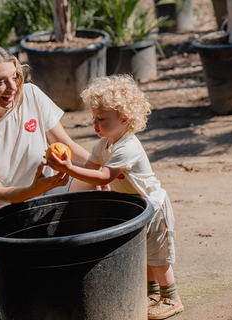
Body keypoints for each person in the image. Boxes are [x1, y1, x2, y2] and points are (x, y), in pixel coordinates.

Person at [0, 42, 97, 307]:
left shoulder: (31, 96)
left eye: (14, 76)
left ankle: (67, 266)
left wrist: (103, 169)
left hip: (48, 195)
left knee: (95, 185)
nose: (13, 87)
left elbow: (70, 147)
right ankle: (0, 279)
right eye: (0, 82)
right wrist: (33, 190)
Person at [46, 74, 184, 319]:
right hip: (137, 208)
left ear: (125, 119)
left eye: (101, 119)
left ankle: (171, 298)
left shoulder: (127, 146)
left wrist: (68, 168)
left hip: (154, 206)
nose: (95, 124)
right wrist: (70, 199)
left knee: (158, 256)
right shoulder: (104, 144)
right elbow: (88, 172)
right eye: (93, 118)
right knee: (144, 253)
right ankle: (152, 294)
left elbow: (102, 177)